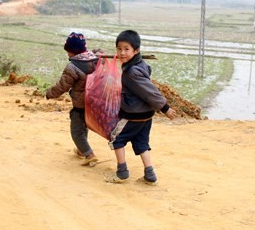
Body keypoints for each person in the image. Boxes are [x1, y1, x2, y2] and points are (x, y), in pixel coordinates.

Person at [105, 30, 176, 185]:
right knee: (141, 143)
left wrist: (165, 108)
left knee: (116, 138)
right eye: (119, 49)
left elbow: (150, 92)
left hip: (133, 116)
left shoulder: (131, 72)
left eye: (126, 49)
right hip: (146, 116)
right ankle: (150, 175)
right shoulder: (140, 64)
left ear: (136, 50)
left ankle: (122, 172)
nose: (122, 53)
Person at [46, 32, 100, 166]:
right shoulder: (96, 60)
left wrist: (49, 93)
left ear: (71, 51)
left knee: (76, 130)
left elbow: (62, 86)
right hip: (94, 102)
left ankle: (89, 154)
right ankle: (81, 150)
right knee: (84, 125)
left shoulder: (73, 67)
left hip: (80, 104)